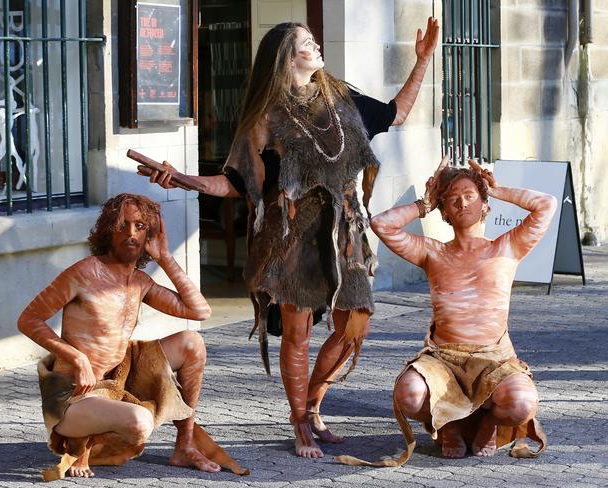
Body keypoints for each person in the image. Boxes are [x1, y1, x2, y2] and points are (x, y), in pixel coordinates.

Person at [137, 19, 439, 458]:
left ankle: (314, 404)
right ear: (286, 58)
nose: (316, 47)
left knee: (354, 326)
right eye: (306, 44)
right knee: (297, 334)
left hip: (345, 235)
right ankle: (300, 423)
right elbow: (236, 182)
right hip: (292, 236)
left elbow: (397, 113)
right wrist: (183, 180)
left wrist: (423, 59)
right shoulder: (267, 115)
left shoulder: (342, 99)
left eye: (314, 41)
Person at [338, 160, 554, 467]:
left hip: (494, 360)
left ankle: (488, 424)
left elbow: (547, 204)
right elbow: (381, 224)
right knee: (408, 395)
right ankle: (448, 424)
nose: (462, 201)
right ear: (445, 213)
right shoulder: (432, 252)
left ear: (483, 204)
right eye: (452, 198)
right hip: (443, 360)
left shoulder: (507, 247)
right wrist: (424, 203)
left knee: (522, 404)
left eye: (469, 194)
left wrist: (497, 188)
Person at [18, 193, 246, 479]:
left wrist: (164, 257)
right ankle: (82, 444)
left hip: (118, 380)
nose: (131, 233)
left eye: (139, 226)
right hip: (74, 394)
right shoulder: (85, 272)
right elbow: (28, 319)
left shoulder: (140, 282)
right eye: (122, 225)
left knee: (192, 343)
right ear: (107, 230)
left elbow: (199, 311)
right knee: (140, 423)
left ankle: (185, 445)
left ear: (149, 233)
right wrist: (76, 357)